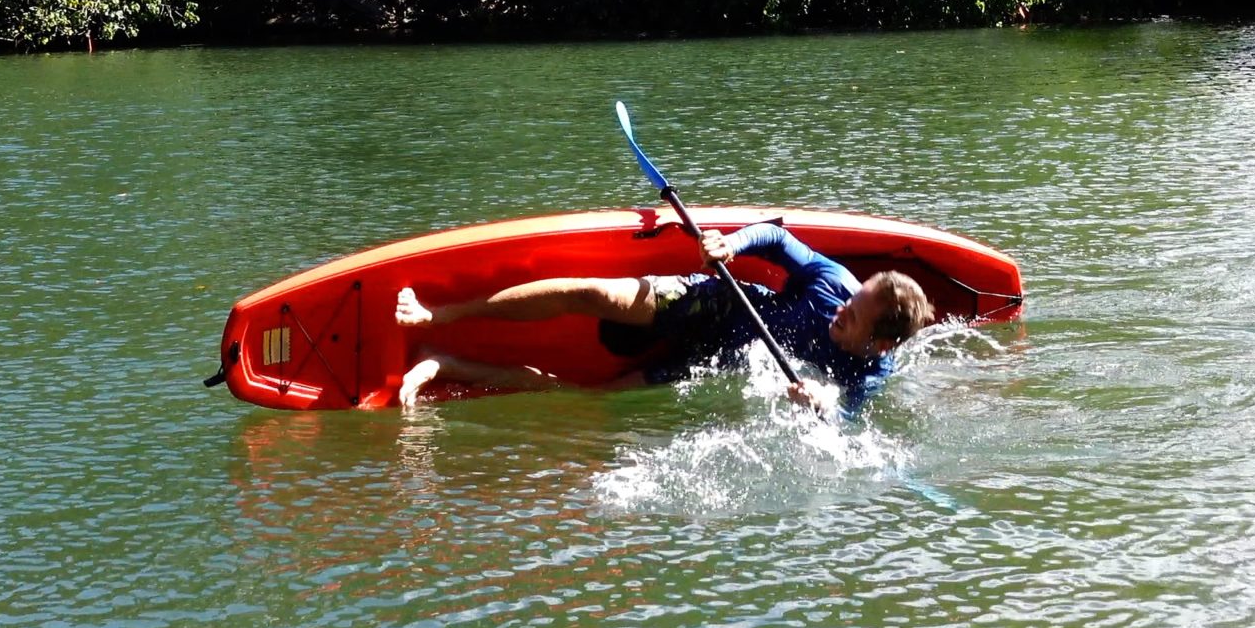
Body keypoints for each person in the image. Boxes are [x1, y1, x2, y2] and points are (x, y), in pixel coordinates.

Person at [394, 221, 934, 416]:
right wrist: (730, 245)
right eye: (850, 300)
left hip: (716, 361)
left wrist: (821, 400)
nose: (842, 308)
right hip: (722, 301)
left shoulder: (868, 374)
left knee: (592, 401)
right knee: (593, 293)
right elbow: (775, 239)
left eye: (854, 316)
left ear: (880, 345)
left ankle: (448, 365)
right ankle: (437, 315)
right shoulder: (832, 281)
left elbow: (846, 414)